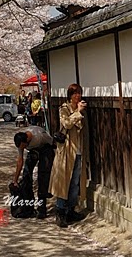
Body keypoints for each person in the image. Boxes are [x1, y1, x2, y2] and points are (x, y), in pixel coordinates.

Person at [49, 82, 88, 228]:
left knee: (75, 182)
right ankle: (60, 212)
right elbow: (66, 124)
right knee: (63, 181)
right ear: (70, 95)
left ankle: (71, 210)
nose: (77, 96)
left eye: (79, 92)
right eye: (74, 93)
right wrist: (78, 112)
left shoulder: (81, 108)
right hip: (66, 150)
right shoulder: (64, 108)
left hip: (78, 150)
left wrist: (80, 111)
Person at [13, 125, 55, 219]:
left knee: (42, 177)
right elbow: (20, 161)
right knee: (26, 175)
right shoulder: (21, 142)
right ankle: (28, 206)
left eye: (24, 147)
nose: (22, 149)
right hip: (34, 150)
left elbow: (53, 144)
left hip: (46, 148)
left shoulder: (39, 136)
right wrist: (15, 180)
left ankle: (42, 208)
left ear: (27, 141)